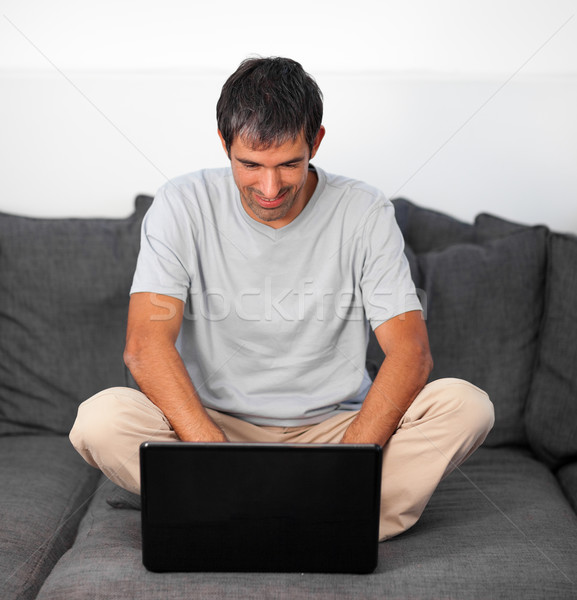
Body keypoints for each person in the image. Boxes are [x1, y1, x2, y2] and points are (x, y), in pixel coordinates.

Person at [70, 56, 494, 541]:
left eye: (289, 163)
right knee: (100, 420)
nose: (269, 188)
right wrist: (217, 456)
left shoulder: (365, 210)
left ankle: (233, 515)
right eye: (250, 165)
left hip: (337, 431)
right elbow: (145, 345)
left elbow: (411, 353)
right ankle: (329, 521)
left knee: (467, 405)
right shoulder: (180, 205)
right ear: (224, 143)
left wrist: (347, 465)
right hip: (211, 428)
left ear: (316, 142)